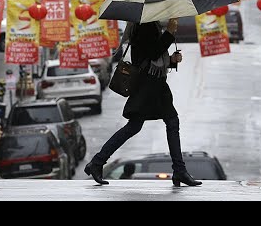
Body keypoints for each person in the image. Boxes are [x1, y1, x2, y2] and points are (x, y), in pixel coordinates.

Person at [84, 18, 202, 187]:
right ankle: (97, 162)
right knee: (141, 125)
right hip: (148, 86)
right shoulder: (144, 26)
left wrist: (170, 60)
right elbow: (153, 53)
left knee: (165, 122)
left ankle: (179, 170)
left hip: (155, 84)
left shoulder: (149, 25)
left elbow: (152, 54)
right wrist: (169, 33)